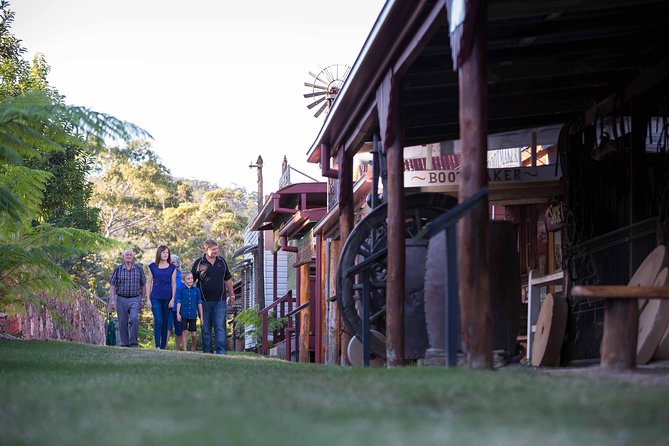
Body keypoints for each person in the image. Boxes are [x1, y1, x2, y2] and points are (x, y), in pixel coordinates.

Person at [191, 239, 235, 354]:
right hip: (203, 302)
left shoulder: (222, 262)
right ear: (206, 249)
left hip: (220, 301)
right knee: (205, 329)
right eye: (213, 249)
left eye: (217, 249)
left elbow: (228, 280)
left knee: (220, 327)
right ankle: (207, 352)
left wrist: (232, 295)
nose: (216, 251)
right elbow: (190, 282)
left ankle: (222, 353)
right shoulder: (199, 263)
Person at [109, 248, 146, 348]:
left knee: (134, 319)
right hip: (121, 298)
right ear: (123, 257)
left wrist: (143, 299)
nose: (128, 256)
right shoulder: (118, 269)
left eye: (130, 255)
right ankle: (124, 344)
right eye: (127, 255)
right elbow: (112, 285)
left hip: (135, 298)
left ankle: (133, 343)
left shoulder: (139, 269)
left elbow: (143, 284)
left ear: (133, 257)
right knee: (122, 322)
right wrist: (113, 300)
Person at [146, 245, 176, 349]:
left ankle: (163, 347)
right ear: (159, 253)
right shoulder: (152, 266)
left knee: (165, 322)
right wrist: (148, 299)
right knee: (158, 320)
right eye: (163, 252)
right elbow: (149, 283)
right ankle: (157, 346)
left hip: (167, 298)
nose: (165, 254)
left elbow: (173, 284)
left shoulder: (172, 267)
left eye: (167, 252)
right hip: (155, 297)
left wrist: (173, 299)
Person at [176, 271, 204, 352]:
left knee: (194, 334)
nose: (191, 280)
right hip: (183, 314)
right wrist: (178, 313)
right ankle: (184, 351)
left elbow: (199, 303)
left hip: (192, 315)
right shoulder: (181, 290)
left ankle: (193, 348)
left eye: (191, 278)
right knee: (184, 332)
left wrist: (201, 317)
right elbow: (179, 302)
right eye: (188, 279)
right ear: (183, 280)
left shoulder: (196, 290)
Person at [167, 254, 185, 351]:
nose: (171, 264)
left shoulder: (182, 276)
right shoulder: (166, 274)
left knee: (178, 329)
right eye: (170, 262)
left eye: (173, 262)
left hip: (179, 306)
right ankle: (163, 347)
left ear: (178, 264)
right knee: (167, 326)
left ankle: (177, 349)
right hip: (168, 305)